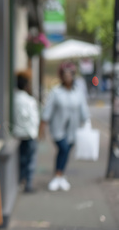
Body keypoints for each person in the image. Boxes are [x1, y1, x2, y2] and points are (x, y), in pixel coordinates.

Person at [39, 61, 90, 191]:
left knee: (66, 152)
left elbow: (83, 109)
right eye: (65, 75)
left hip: (73, 129)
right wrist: (42, 128)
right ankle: (58, 175)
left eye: (70, 75)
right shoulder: (56, 92)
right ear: (61, 77)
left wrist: (87, 123)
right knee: (63, 149)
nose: (68, 78)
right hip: (58, 129)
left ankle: (60, 175)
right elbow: (47, 111)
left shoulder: (77, 92)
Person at [12, 71, 40, 193]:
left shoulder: (13, 99)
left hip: (17, 134)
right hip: (29, 134)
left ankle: (20, 182)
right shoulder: (29, 100)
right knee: (30, 161)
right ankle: (28, 184)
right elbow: (34, 119)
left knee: (22, 160)